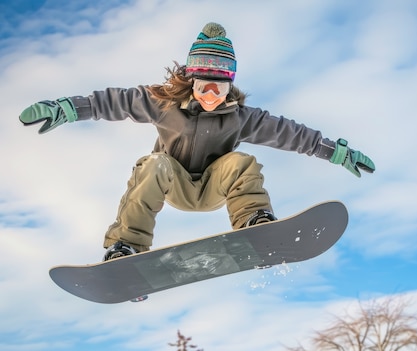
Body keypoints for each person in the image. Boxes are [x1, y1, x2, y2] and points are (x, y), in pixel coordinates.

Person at [18, 22, 375, 261]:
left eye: (217, 87)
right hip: (170, 183)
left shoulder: (242, 117)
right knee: (153, 163)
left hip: (214, 188)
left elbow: (291, 134)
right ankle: (126, 245)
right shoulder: (163, 104)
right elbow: (112, 101)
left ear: (230, 83)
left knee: (240, 161)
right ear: (191, 79)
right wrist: (66, 108)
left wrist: (336, 152)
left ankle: (255, 221)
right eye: (202, 84)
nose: (209, 94)